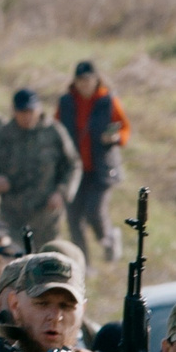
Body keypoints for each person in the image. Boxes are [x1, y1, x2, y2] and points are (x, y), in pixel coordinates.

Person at [0, 88, 83, 252]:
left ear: (39, 109)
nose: (27, 116)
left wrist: (62, 192)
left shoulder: (54, 131)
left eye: (31, 111)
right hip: (13, 216)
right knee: (16, 263)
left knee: (47, 261)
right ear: (14, 111)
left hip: (47, 215)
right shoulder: (3, 135)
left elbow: (73, 165)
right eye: (22, 112)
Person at [57, 63, 128, 262]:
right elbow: (56, 129)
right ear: (75, 82)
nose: (84, 85)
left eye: (88, 80)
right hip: (74, 170)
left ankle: (108, 238)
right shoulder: (66, 102)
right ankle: (82, 263)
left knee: (94, 211)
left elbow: (124, 129)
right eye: (81, 81)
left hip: (102, 169)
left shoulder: (108, 101)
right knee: (73, 219)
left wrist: (115, 138)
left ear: (97, 79)